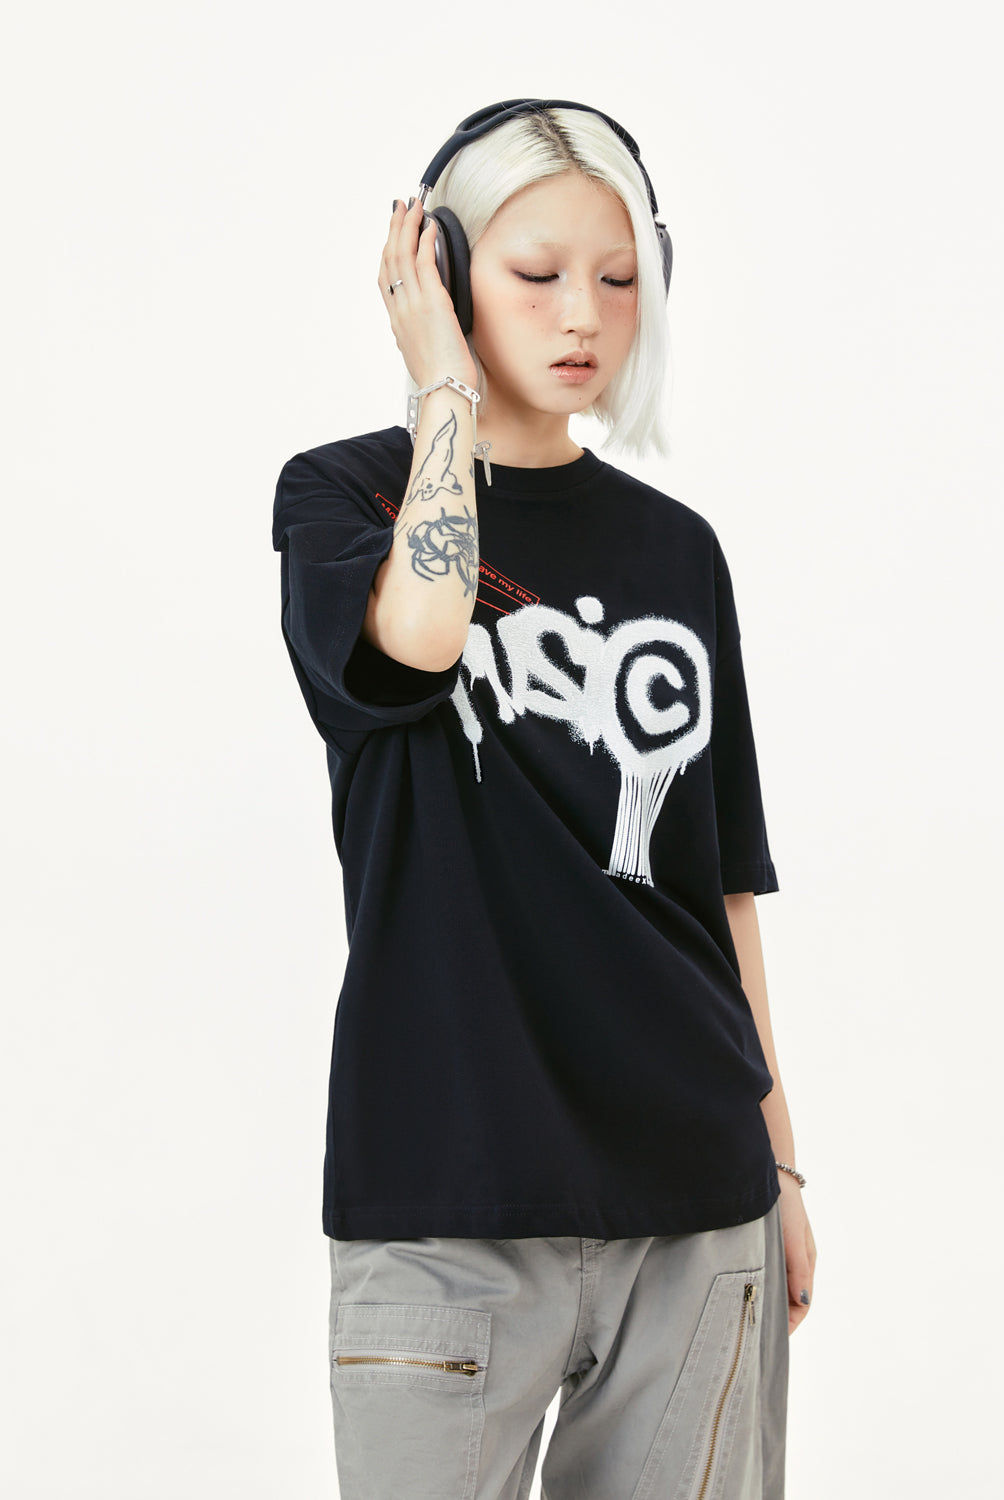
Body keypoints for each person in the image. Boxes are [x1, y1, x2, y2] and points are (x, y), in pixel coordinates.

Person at [272, 99, 816, 1500]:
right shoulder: (343, 501)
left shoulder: (677, 551)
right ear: (442, 274)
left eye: (620, 278)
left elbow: (717, 883)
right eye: (536, 273)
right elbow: (420, 637)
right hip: (445, 1195)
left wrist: (782, 1172)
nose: (585, 315)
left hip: (696, 1197)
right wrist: (441, 392)